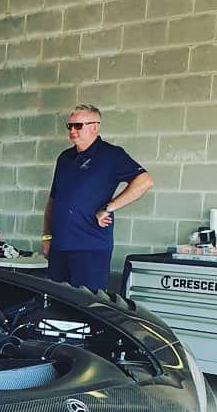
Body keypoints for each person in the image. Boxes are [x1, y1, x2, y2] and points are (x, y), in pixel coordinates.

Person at [42, 104, 153, 292]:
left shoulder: (111, 155)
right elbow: (53, 200)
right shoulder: (64, 158)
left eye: (78, 126)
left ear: (95, 127)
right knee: (56, 303)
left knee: (87, 305)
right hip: (60, 246)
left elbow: (144, 181)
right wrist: (47, 236)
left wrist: (109, 207)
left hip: (90, 246)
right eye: (70, 126)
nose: (73, 131)